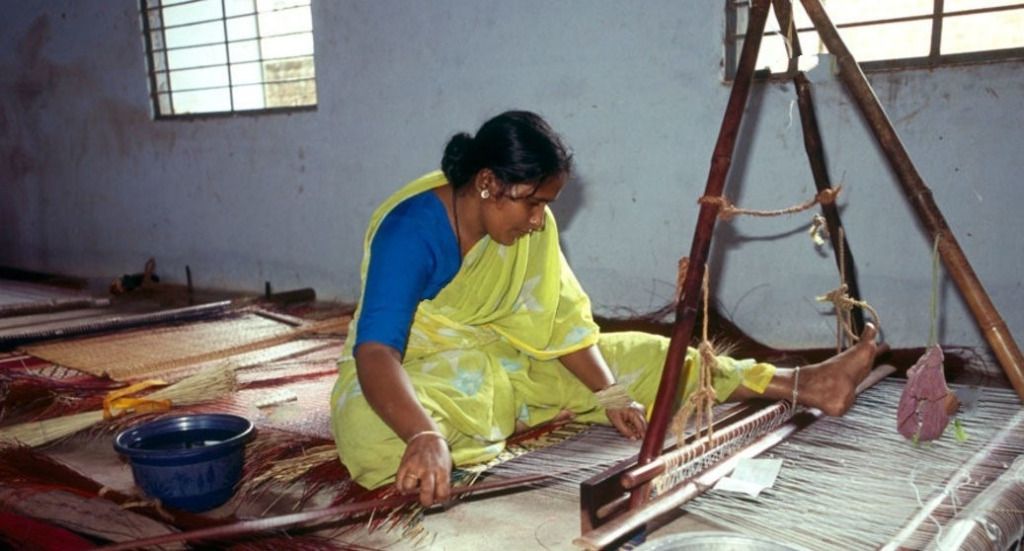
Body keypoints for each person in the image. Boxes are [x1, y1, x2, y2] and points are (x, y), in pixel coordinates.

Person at [330, 110, 879, 508]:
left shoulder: (522, 233)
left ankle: (800, 383)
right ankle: (450, 438)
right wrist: (424, 436)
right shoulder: (411, 231)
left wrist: (610, 392)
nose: (541, 221)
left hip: (506, 366)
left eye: (548, 205)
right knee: (366, 428)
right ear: (488, 184)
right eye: (535, 203)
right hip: (423, 372)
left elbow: (563, 322)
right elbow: (377, 349)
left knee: (640, 355)